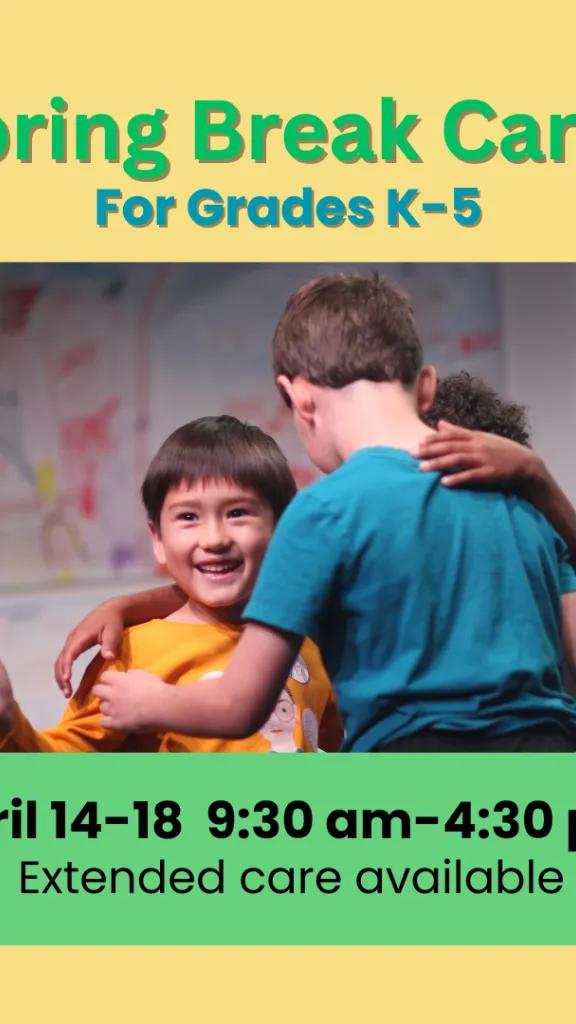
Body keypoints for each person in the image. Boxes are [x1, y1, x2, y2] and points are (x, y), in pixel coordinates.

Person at [88, 273, 576, 753]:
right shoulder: (524, 502)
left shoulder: (323, 511)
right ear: (426, 386)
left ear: (299, 396)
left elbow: (240, 706)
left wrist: (153, 701)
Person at [0, 416, 341, 753]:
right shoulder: (130, 651)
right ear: (158, 539)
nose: (214, 539)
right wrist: (8, 724)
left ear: (281, 527)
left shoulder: (309, 643)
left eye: (237, 512)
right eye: (188, 517)